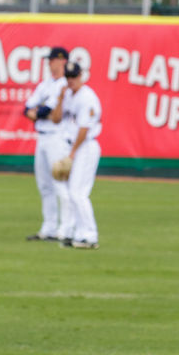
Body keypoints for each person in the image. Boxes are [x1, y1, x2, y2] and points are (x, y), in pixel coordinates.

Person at [22, 45, 69, 242]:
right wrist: (38, 112)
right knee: (44, 185)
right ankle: (49, 228)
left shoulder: (65, 84)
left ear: (63, 61)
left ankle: (65, 228)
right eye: (49, 60)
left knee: (60, 184)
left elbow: (45, 110)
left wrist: (39, 112)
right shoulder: (46, 84)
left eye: (53, 60)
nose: (50, 63)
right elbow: (27, 108)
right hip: (42, 137)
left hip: (58, 137)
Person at [55, 60, 103, 249]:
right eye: (68, 77)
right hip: (73, 147)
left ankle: (90, 235)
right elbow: (58, 119)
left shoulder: (87, 97)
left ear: (81, 76)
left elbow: (84, 128)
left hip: (86, 146)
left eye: (74, 76)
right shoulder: (68, 95)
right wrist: (59, 99)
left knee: (78, 193)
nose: (71, 80)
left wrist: (72, 153)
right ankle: (79, 233)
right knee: (72, 192)